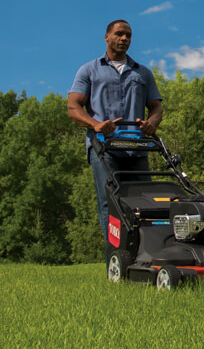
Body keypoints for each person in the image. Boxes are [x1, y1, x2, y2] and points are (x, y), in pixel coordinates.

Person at [67, 19, 163, 249]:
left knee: (145, 202)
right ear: (107, 36)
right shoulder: (89, 69)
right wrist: (96, 124)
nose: (124, 39)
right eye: (119, 34)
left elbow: (156, 107)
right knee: (111, 202)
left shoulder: (142, 73)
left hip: (136, 147)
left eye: (128, 35)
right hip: (104, 147)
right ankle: (117, 255)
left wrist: (152, 123)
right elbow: (73, 107)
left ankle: (146, 251)